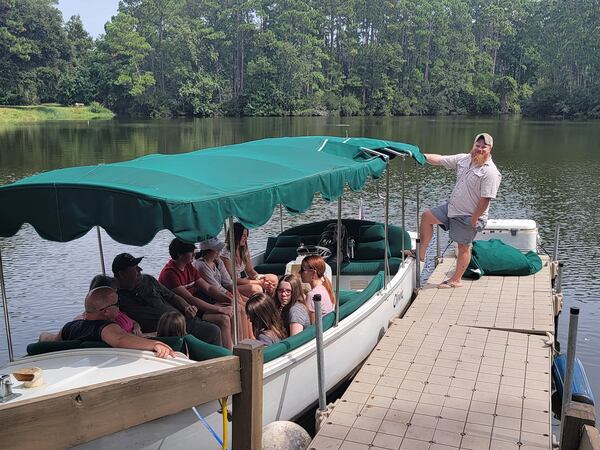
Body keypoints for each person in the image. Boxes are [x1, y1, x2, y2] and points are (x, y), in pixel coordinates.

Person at [415, 133, 502, 288]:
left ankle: (456, 279)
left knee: (463, 246)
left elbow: (485, 200)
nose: (480, 149)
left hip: (469, 216)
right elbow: (440, 159)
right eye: (478, 145)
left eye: (484, 146)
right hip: (452, 208)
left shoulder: (491, 172)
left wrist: (475, 219)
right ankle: (420, 255)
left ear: (490, 149)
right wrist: (419, 155)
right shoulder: (464, 159)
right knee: (427, 216)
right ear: (473, 145)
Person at [112, 252, 222, 347]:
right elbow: (121, 321)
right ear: (122, 274)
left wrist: (186, 307)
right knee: (206, 336)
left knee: (213, 331)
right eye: (134, 268)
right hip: (163, 334)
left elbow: (172, 296)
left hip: (182, 321)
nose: (140, 269)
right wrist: (138, 326)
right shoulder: (115, 298)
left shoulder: (148, 280)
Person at [159, 238, 247, 348]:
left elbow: (208, 288)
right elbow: (190, 299)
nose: (193, 254)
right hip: (184, 312)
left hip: (197, 306)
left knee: (235, 308)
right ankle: (229, 354)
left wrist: (229, 299)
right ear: (180, 254)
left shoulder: (189, 267)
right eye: (190, 251)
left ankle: (242, 346)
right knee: (224, 318)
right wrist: (221, 309)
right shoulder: (169, 274)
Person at [46, 285, 175, 359]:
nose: (120, 307)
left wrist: (43, 336)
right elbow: (120, 339)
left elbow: (50, 340)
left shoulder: (69, 327)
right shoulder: (106, 327)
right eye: (117, 304)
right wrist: (155, 344)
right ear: (106, 311)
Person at [221, 222, 278, 297]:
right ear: (236, 236)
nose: (246, 238)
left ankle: (272, 304)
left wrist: (259, 277)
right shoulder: (226, 253)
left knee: (273, 278)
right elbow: (233, 280)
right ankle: (262, 305)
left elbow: (250, 271)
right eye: (243, 235)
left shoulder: (243, 249)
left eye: (247, 235)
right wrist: (258, 283)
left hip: (241, 281)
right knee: (257, 288)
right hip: (230, 286)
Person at [299, 255, 336, 324]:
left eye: (302, 269)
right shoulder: (326, 288)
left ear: (313, 273)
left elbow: (312, 326)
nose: (299, 272)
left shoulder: (312, 295)